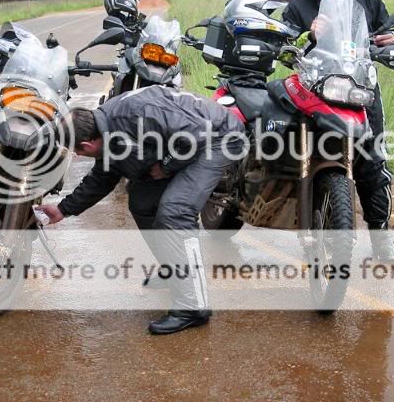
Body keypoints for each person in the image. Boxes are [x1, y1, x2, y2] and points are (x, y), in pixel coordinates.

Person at [38, 86, 245, 334]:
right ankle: (174, 270)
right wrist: (63, 209)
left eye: (78, 151)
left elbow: (196, 135)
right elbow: (103, 177)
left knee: (174, 213)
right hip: (187, 142)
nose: (79, 157)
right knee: (142, 202)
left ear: (87, 142)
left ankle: (193, 307)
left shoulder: (136, 115)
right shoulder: (106, 129)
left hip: (219, 137)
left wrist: (167, 167)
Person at [282, 0, 394, 263]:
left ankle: (381, 239)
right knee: (297, 150)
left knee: (373, 161)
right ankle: (310, 217)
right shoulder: (297, 5)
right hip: (314, 89)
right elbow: (283, 45)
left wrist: (392, 40)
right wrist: (309, 36)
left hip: (360, 89)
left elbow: (385, 31)